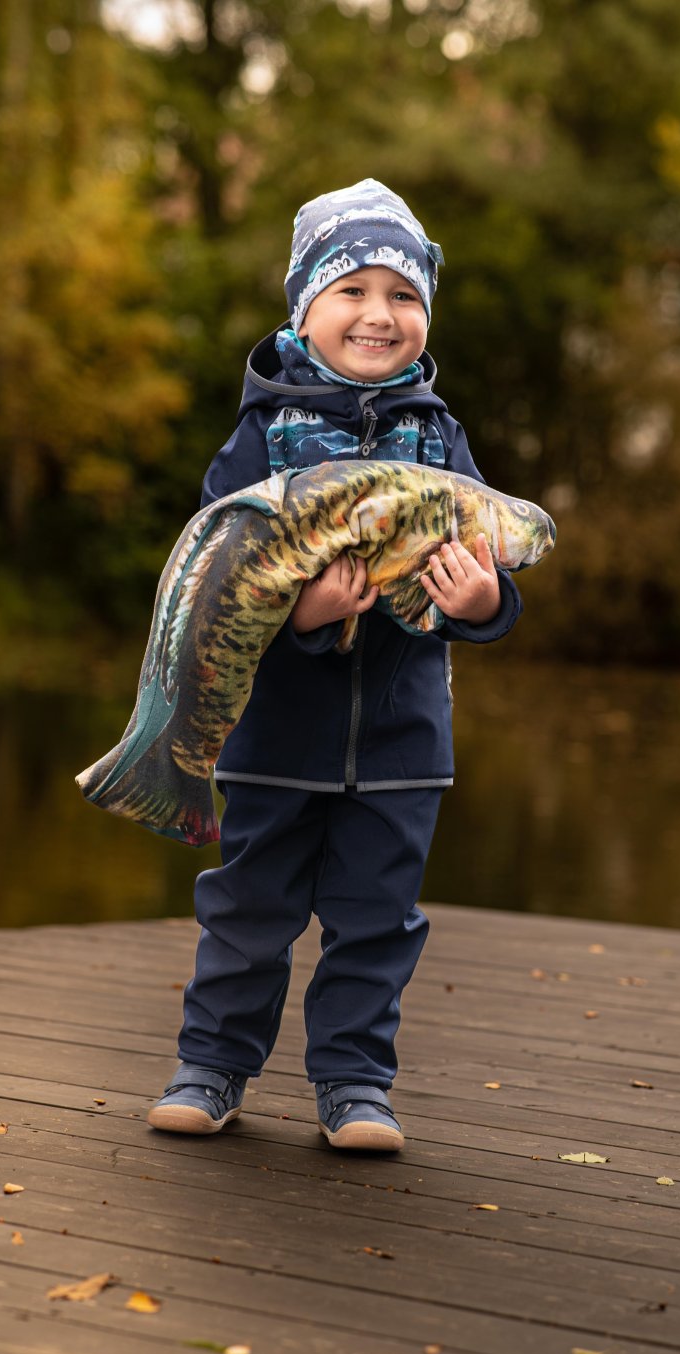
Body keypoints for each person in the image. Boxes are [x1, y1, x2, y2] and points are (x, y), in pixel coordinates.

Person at [146, 179, 522, 1151]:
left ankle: (355, 1085)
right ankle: (211, 1066)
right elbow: (215, 574)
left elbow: (485, 556)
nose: (378, 313)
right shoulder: (261, 437)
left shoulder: (437, 436)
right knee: (249, 912)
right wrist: (302, 610)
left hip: (401, 743)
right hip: (272, 736)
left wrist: (481, 603)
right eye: (351, 289)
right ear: (302, 310)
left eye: (402, 294)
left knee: (377, 923)